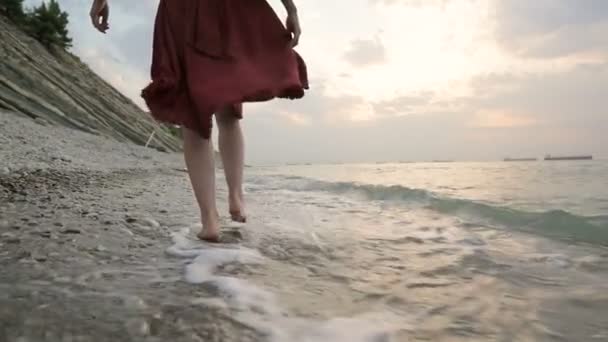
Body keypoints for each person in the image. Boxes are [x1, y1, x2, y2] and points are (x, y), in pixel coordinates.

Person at [89, 0, 308, 242]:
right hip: (226, 8)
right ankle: (236, 197)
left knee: (192, 114)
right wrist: (291, 9)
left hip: (179, 10)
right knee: (228, 112)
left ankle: (209, 219)